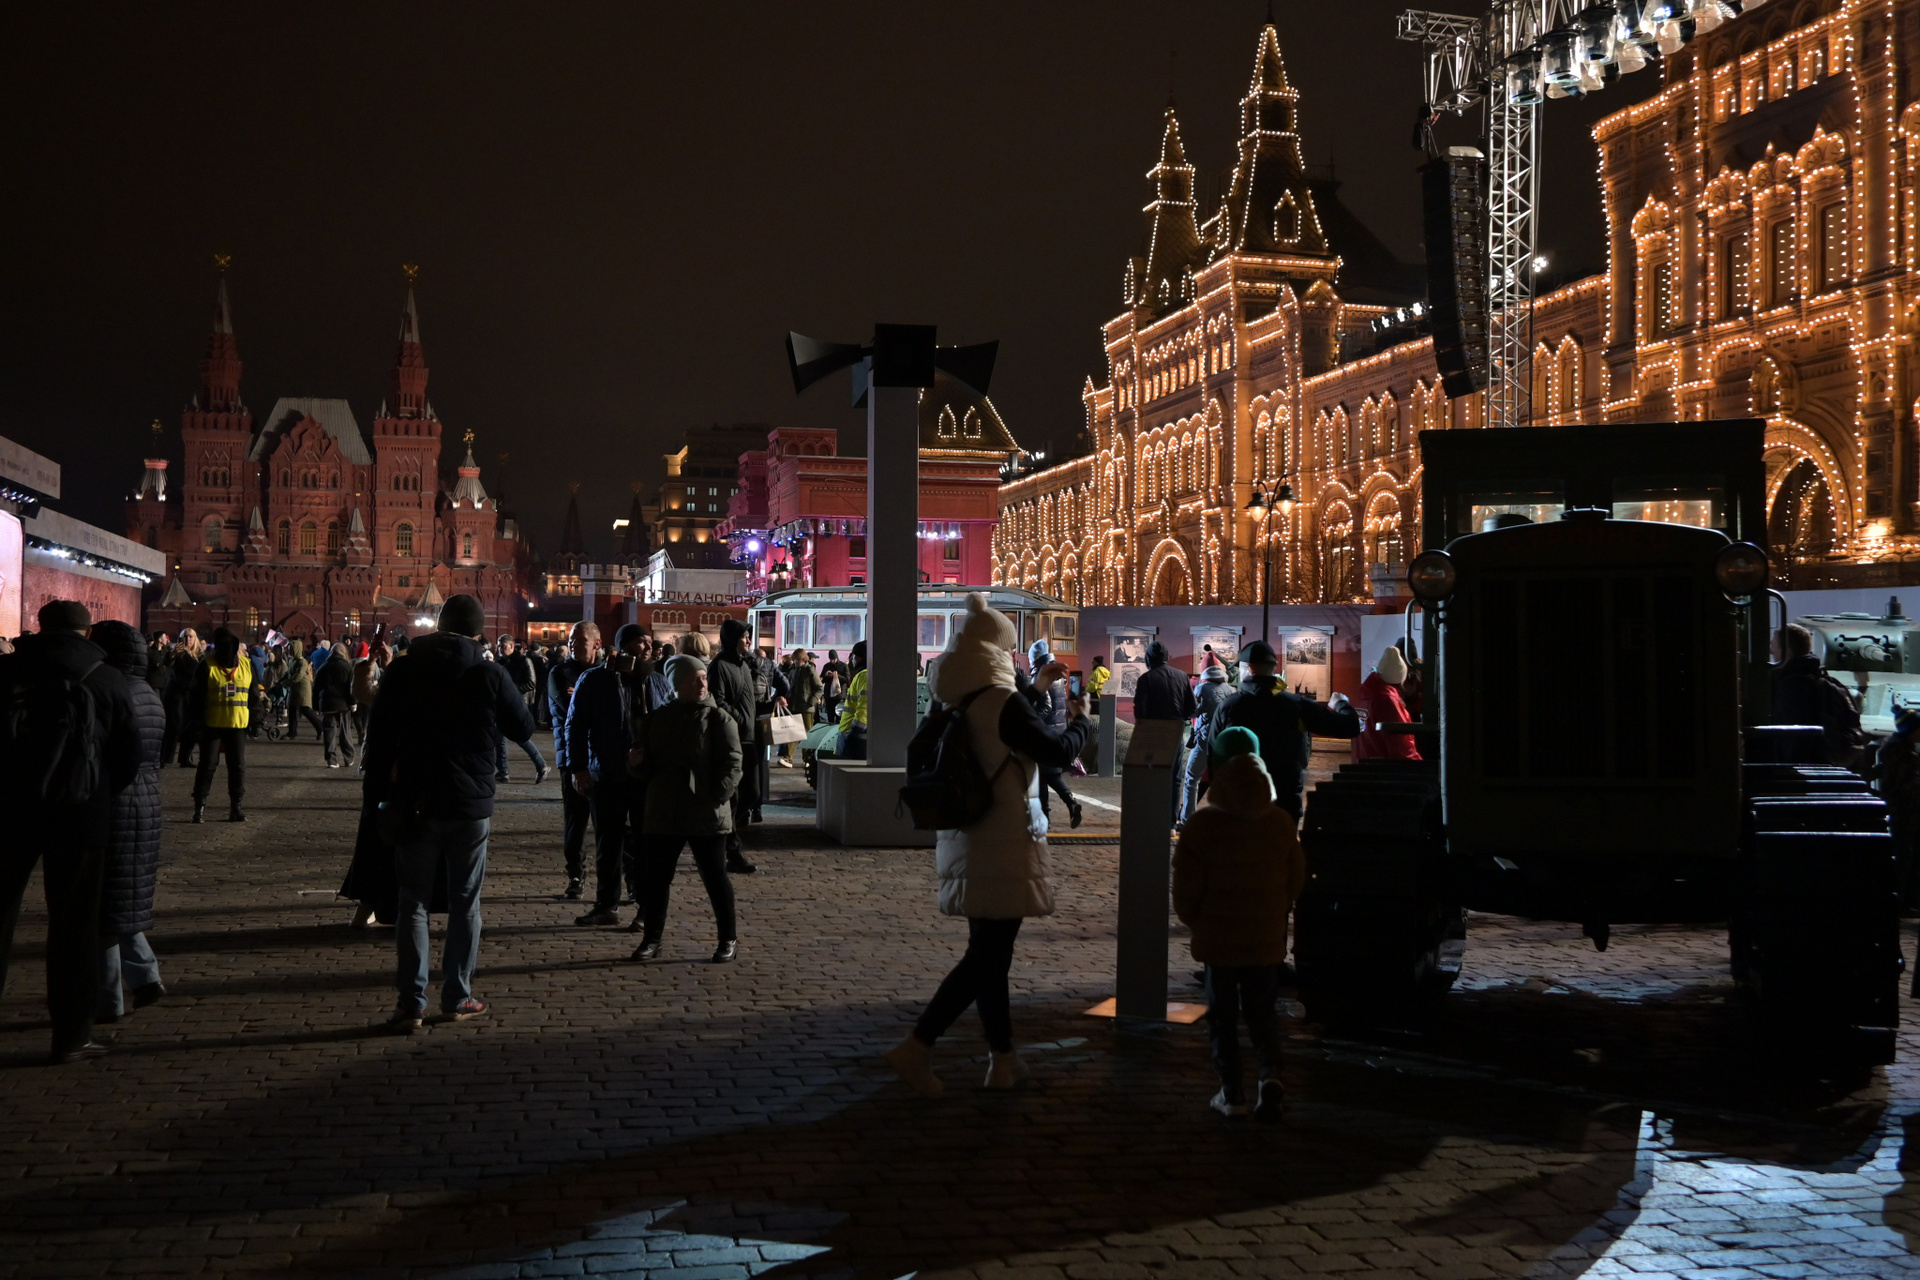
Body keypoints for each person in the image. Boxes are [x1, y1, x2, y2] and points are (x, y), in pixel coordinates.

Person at [885, 593, 1092, 1096]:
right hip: (1004, 839)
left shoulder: (954, 698)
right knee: (986, 956)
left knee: (991, 954)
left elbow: (985, 738)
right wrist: (1082, 720)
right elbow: (1054, 750)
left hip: (966, 834)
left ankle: (1003, 1058)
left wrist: (1034, 692)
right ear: (998, 649)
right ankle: (918, 1045)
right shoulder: (1003, 700)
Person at [361, 593, 534, 1033]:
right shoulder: (488, 672)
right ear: (478, 632)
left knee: (413, 903)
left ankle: (411, 1003)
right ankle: (457, 995)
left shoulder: (404, 670)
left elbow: (377, 737)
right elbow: (524, 726)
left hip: (415, 801)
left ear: (438, 627)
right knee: (465, 902)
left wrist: (380, 795)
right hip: (469, 804)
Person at [0, 600, 139, 1063]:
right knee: (74, 925)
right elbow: (128, 754)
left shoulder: (7, 671)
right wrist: (97, 791)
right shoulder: (105, 677)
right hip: (81, 813)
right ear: (87, 631)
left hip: (9, 810)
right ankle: (72, 1035)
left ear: (39, 627)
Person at [1172, 745, 1303, 1122]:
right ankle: (1270, 1075)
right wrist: (1276, 912)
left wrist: (1199, 922)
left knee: (1222, 1017)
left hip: (1218, 940)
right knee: (1263, 1013)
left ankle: (1232, 1092)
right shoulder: (1280, 824)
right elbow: (1295, 880)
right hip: (1264, 939)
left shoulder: (1202, 827)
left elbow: (1185, 892)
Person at [630, 654, 743, 963]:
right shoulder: (658, 718)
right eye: (694, 679)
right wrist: (636, 764)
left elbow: (733, 764)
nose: (702, 684)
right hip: (665, 810)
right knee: (657, 879)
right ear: (677, 684)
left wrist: (715, 797)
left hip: (705, 811)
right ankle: (652, 939)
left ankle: (728, 938)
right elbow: (646, 768)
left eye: (704, 678)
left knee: (715, 878)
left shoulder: (719, 719)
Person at [90, 621, 167, 1023]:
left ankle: (108, 1001)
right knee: (121, 900)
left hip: (116, 803)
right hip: (146, 803)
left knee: (103, 907)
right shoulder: (149, 693)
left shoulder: (109, 691)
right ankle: (145, 977)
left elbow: (110, 756)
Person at [565, 623, 654, 928]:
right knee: (608, 843)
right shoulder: (596, 679)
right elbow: (576, 726)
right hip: (606, 772)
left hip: (644, 776)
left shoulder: (654, 679)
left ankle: (646, 907)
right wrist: (578, 768)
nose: (648, 647)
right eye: (641, 642)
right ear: (622, 646)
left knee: (644, 844)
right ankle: (606, 905)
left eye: (649, 642)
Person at [1209, 640, 1359, 818]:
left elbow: (1213, 753)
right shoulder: (1296, 705)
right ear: (1273, 668)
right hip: (1285, 800)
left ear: (1249, 669)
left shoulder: (1228, 706)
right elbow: (1349, 726)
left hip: (1239, 800)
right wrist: (1341, 703)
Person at [547, 621, 601, 899]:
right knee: (575, 822)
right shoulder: (560, 672)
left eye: (579, 640)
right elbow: (570, 709)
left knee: (608, 824)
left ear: (596, 644)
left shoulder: (606, 672)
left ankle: (618, 880)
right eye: (570, 640)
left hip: (603, 755)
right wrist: (597, 700)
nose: (572, 645)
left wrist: (581, 694)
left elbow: (620, 709)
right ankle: (575, 875)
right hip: (572, 755)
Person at [709, 619, 765, 873]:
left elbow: (748, 700)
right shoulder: (719, 666)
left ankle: (728, 835)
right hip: (733, 739)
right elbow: (717, 701)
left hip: (750, 738)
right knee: (732, 797)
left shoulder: (743, 665)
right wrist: (741, 719)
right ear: (733, 639)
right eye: (744, 636)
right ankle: (732, 849)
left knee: (752, 794)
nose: (749, 641)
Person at [1773, 623, 1868, 767]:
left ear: (1785, 649)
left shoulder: (1792, 685)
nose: (1771, 651)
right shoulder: (1826, 681)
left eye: (1773, 645)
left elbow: (1795, 738)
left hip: (1803, 767)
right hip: (1826, 763)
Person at [189, 628, 253, 823]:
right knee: (207, 766)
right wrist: (197, 724)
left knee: (237, 767)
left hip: (237, 724)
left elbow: (253, 696)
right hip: (212, 725)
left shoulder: (246, 665)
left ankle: (236, 808)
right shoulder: (206, 666)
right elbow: (196, 698)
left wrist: (257, 720)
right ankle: (199, 808)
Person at [1025, 639, 1083, 828]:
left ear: (1034, 659)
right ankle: (1069, 804)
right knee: (1048, 775)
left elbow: (1046, 706)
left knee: (1042, 775)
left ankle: (1047, 817)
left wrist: (1032, 720)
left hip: (1045, 732)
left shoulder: (1040, 676)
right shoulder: (1058, 675)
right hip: (1058, 729)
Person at [1179, 661, 1234, 826]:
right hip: (1224, 741)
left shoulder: (1202, 688)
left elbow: (1193, 711)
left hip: (1204, 740)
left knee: (1191, 778)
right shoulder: (1230, 690)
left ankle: (1187, 819)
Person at [1352, 646, 1421, 762]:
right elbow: (1401, 745)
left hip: (1365, 764)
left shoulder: (1364, 695)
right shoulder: (1387, 700)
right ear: (1400, 678)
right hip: (1384, 767)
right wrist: (1419, 765)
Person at [315, 638, 356, 768]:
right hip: (342, 704)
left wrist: (316, 705)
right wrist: (353, 703)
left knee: (329, 733)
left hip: (327, 704)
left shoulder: (323, 667)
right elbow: (351, 688)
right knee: (345, 732)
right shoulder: (347, 667)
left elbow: (316, 688)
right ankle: (348, 758)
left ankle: (331, 760)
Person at [1132, 641, 1196, 722]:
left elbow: (1140, 710)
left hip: (1153, 726)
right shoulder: (1183, 676)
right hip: (1177, 726)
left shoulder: (1145, 678)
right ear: (1166, 657)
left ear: (1148, 658)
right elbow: (1192, 708)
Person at [166, 628, 203, 766]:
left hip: (191, 695)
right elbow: (168, 662)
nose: (188, 639)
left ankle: (185, 758)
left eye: (191, 636)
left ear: (195, 638)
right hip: (178, 695)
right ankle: (166, 758)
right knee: (175, 726)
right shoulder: (179, 653)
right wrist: (173, 654)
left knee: (191, 727)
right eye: (185, 636)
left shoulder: (197, 655)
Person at [784, 648, 821, 766]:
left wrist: (810, 702)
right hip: (794, 706)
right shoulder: (794, 670)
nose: (794, 662)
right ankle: (788, 758)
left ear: (802, 659)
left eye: (796, 660)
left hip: (806, 708)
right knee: (792, 732)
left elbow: (819, 688)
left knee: (806, 734)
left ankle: (807, 759)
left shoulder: (810, 671)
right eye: (794, 660)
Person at [836, 640, 869, 763]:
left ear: (862, 657)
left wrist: (855, 732)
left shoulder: (864, 675)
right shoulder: (866, 674)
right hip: (852, 731)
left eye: (854, 655)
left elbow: (864, 706)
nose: (852, 658)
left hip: (851, 731)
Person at [283, 638, 321, 739]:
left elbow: (298, 676)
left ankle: (320, 727)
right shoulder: (292, 660)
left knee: (305, 710)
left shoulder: (302, 662)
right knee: (292, 710)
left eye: (291, 649)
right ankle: (292, 732)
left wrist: (285, 683)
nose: (289, 651)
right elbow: (289, 673)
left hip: (302, 690)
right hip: (295, 689)